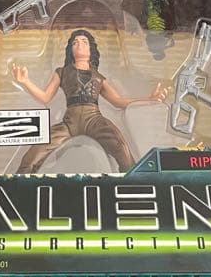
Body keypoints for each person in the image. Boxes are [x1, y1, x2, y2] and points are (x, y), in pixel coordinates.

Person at [11, 29, 166, 173]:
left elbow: (118, 101)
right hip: (69, 122)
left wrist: (149, 99)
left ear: (91, 49)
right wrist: (25, 82)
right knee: (33, 155)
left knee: (121, 148)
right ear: (70, 49)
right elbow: (45, 97)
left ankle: (133, 182)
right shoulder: (62, 72)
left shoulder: (98, 77)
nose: (79, 45)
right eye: (75, 42)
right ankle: (19, 181)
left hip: (94, 120)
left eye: (84, 42)